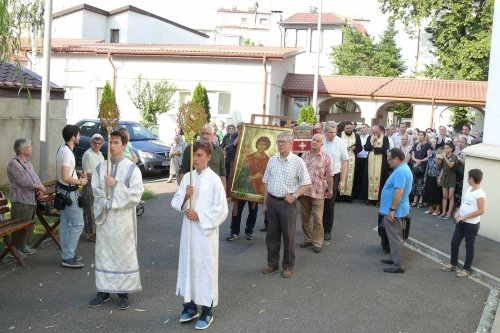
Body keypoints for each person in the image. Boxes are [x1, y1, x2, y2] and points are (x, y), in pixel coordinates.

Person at [171, 140, 228, 330]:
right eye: (194, 155)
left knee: (204, 269)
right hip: (188, 233)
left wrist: (200, 216)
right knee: (188, 266)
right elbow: (175, 202)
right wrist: (186, 196)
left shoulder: (214, 181)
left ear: (209, 157)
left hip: (205, 235)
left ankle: (206, 310)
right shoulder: (187, 177)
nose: (195, 158)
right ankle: (190, 305)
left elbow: (221, 209)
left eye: (200, 155)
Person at [88, 129, 144, 310]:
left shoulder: (132, 169)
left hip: (123, 221)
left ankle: (123, 292)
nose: (112, 146)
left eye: (116, 143)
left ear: (124, 145)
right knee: (104, 253)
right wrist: (104, 200)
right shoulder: (100, 167)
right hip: (106, 219)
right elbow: (95, 188)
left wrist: (116, 185)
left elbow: (136, 194)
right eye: (110, 142)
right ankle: (103, 291)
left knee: (122, 254)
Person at [262, 131, 311, 278]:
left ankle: (288, 266)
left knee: (288, 236)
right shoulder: (272, 160)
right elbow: (265, 182)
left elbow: (306, 183)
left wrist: (294, 195)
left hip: (286, 204)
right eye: (278, 142)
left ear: (291, 143)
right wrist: (265, 203)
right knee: (271, 235)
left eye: (283, 142)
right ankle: (272, 264)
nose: (280, 144)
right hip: (272, 201)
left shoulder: (298, 161)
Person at [442, 169, 486, 278]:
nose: (467, 178)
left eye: (468, 177)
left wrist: (465, 216)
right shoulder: (469, 189)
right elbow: (464, 204)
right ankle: (453, 264)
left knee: (469, 246)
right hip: (461, 222)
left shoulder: (480, 194)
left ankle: (467, 269)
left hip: (471, 225)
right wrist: (458, 212)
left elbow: (481, 211)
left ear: (472, 179)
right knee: (454, 243)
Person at [6, 138, 46, 257]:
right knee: (20, 226)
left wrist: (41, 188)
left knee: (28, 224)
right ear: (22, 150)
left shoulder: (27, 162)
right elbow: (23, 182)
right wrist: (40, 188)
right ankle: (15, 250)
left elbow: (35, 178)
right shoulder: (13, 163)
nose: (32, 148)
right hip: (21, 200)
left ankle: (23, 246)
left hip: (31, 199)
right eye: (30, 146)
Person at [227, 136, 271, 241]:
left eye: (264, 144)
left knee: (252, 211)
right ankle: (234, 231)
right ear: (256, 145)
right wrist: (253, 177)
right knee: (237, 210)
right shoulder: (249, 158)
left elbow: (269, 175)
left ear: (267, 146)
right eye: (260, 144)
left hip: (257, 190)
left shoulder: (268, 160)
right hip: (244, 188)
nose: (261, 146)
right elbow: (242, 175)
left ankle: (248, 231)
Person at [56, 125, 88, 268]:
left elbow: (67, 173)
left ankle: (67, 254)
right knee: (78, 224)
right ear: (73, 137)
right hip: (69, 194)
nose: (80, 137)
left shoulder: (62, 149)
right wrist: (80, 181)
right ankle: (68, 256)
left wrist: (77, 173)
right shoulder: (67, 153)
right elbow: (65, 176)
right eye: (79, 135)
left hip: (64, 193)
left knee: (65, 225)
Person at [379, 148, 413, 273]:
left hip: (395, 211)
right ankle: (394, 258)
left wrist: (392, 209)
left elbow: (399, 192)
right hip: (397, 209)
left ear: (396, 159)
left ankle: (398, 264)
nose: (388, 162)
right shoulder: (402, 169)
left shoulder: (400, 171)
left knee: (395, 237)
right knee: (393, 236)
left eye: (389, 159)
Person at [300, 134, 333, 253]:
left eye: (317, 141)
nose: (314, 142)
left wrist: (331, 190)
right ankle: (308, 239)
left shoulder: (326, 157)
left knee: (318, 219)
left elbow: (329, 176)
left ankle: (317, 242)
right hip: (304, 192)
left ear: (322, 144)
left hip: (318, 192)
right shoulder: (304, 155)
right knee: (305, 217)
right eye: (313, 139)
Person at [321, 121, 349, 240]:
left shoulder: (341, 142)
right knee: (317, 203)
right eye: (330, 132)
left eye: (334, 132)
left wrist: (342, 181)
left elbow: (345, 161)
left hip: (334, 176)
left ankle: (327, 230)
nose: (333, 135)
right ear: (325, 132)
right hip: (319, 176)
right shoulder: (320, 140)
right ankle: (318, 229)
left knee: (329, 205)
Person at [180, 123, 226, 191]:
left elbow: (222, 175)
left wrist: (223, 194)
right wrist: (183, 192)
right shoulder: (190, 149)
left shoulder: (219, 151)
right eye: (202, 133)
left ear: (213, 136)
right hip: (195, 191)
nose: (205, 136)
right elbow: (183, 173)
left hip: (213, 191)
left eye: (208, 134)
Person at [81, 133, 105, 242]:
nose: (96, 145)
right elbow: (88, 173)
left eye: (99, 143)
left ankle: (96, 232)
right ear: (91, 143)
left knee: (97, 209)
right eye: (94, 143)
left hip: (98, 185)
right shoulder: (88, 154)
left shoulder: (100, 154)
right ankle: (89, 234)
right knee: (89, 210)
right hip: (89, 184)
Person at [364, 125, 390, 206]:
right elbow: (366, 148)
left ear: (380, 131)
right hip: (371, 162)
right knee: (369, 178)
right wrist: (373, 143)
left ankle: (379, 199)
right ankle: (370, 198)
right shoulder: (369, 138)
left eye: (377, 132)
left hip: (381, 162)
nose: (375, 134)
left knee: (380, 180)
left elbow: (385, 148)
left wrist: (374, 149)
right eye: (373, 132)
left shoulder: (385, 138)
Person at [338, 121, 362, 202]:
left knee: (350, 177)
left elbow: (360, 147)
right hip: (341, 160)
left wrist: (355, 149)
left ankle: (349, 196)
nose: (348, 130)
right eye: (347, 128)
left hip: (352, 159)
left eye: (350, 128)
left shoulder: (356, 136)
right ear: (344, 128)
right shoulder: (339, 135)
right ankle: (339, 196)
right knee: (340, 176)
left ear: (352, 128)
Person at [410, 132, 431, 208]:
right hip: (415, 165)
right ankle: (415, 200)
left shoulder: (428, 145)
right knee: (415, 183)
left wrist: (421, 161)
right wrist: (416, 160)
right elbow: (412, 156)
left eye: (421, 135)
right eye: (419, 135)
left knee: (421, 184)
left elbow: (429, 156)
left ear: (425, 136)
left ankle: (420, 201)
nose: (420, 136)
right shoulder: (415, 145)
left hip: (423, 166)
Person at [437, 142, 458, 220]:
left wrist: (445, 157)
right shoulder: (444, 156)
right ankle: (443, 212)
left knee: (450, 196)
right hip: (444, 178)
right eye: (445, 148)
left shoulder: (454, 156)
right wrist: (439, 177)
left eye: (447, 148)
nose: (445, 149)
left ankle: (449, 213)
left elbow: (450, 165)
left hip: (451, 178)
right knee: (444, 196)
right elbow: (442, 167)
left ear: (451, 149)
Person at [423, 137, 443, 216]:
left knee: (437, 192)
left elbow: (439, 163)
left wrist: (438, 157)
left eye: (434, 142)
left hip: (436, 174)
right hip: (429, 173)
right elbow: (428, 163)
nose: (432, 144)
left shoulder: (440, 150)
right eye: (431, 143)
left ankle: (437, 209)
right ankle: (431, 207)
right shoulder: (432, 151)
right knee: (430, 191)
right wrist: (425, 174)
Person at [353, 123, 370, 202]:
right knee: (357, 176)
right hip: (358, 158)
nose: (362, 129)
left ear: (368, 129)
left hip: (366, 158)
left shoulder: (369, 138)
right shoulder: (358, 137)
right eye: (361, 128)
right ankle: (356, 193)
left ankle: (362, 195)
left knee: (364, 177)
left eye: (364, 128)